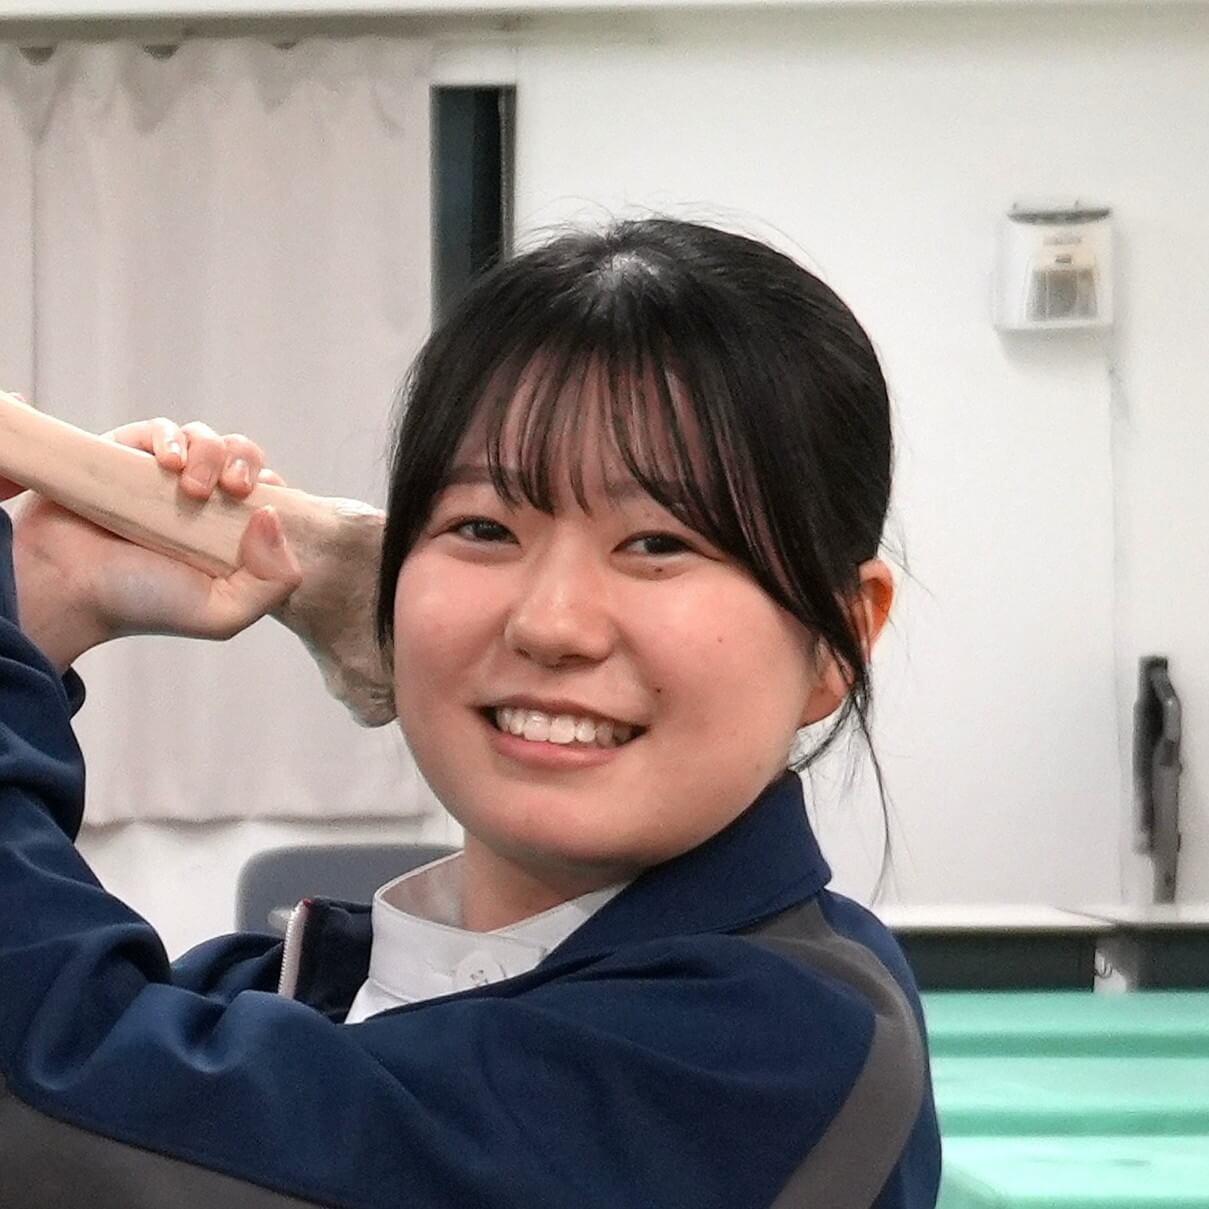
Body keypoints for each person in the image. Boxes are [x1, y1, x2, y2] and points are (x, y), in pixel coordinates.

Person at [0, 219, 941, 1208]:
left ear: (836, 642)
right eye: (483, 527)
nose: (550, 624)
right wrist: (51, 588)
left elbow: (51, 1114)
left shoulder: (771, 1051)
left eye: (660, 544)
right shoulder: (301, 990)